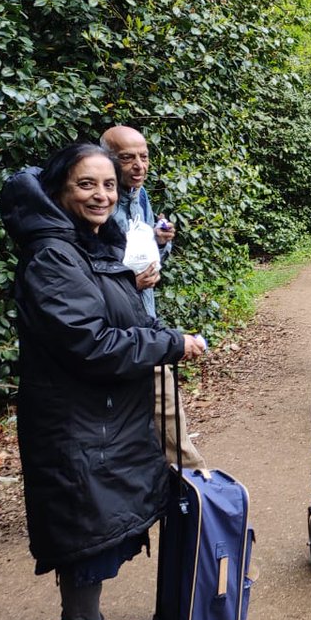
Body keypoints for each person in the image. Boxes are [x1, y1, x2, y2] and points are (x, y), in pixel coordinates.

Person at [0, 142, 208, 620]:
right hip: (75, 420)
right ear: (59, 189)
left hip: (102, 416)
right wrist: (169, 345)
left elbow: (114, 314)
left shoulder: (84, 243)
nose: (102, 195)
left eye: (109, 185)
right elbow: (90, 342)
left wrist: (156, 328)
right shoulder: (53, 255)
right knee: (88, 526)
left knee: (97, 519)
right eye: (86, 184)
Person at [100, 125, 205, 471]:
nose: (138, 166)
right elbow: (91, 272)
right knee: (157, 418)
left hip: (145, 322)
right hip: (112, 333)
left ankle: (195, 493)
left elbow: (142, 258)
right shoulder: (99, 205)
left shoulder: (140, 197)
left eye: (143, 157)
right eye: (127, 158)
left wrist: (162, 243)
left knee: (167, 415)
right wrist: (127, 284)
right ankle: (202, 497)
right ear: (107, 160)